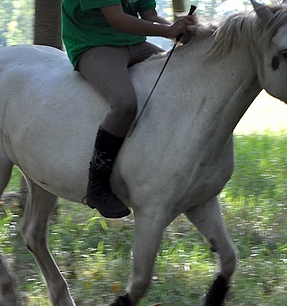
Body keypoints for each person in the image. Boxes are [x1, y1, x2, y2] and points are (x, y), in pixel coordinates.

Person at [61, 0, 195, 218]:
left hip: (134, 44)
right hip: (93, 44)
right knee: (125, 104)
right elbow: (117, 19)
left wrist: (181, 31)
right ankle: (97, 185)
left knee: (181, 78)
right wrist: (168, 31)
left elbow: (150, 16)